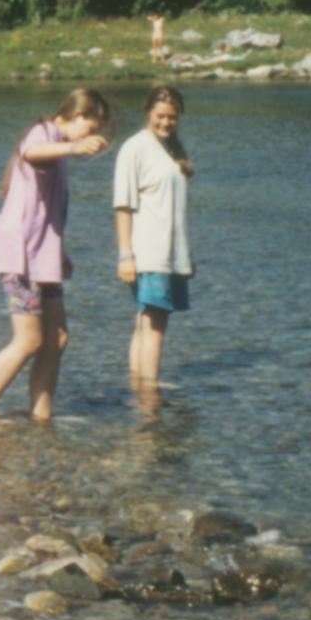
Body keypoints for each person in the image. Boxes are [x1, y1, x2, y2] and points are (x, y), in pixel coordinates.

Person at [0, 89, 112, 431]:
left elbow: (47, 210)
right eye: (89, 129)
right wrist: (74, 147)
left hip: (44, 255)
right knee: (28, 340)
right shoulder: (43, 133)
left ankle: (41, 416)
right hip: (22, 255)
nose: (89, 139)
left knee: (57, 337)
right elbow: (31, 153)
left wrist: (60, 252)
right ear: (74, 117)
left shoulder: (59, 149)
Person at [114, 84, 195, 399]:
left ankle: (139, 387)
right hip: (148, 252)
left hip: (172, 254)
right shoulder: (136, 147)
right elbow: (123, 205)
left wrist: (187, 258)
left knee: (146, 321)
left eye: (173, 117)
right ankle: (150, 398)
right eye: (160, 116)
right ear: (148, 112)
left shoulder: (175, 149)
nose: (166, 122)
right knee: (155, 324)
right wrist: (125, 255)